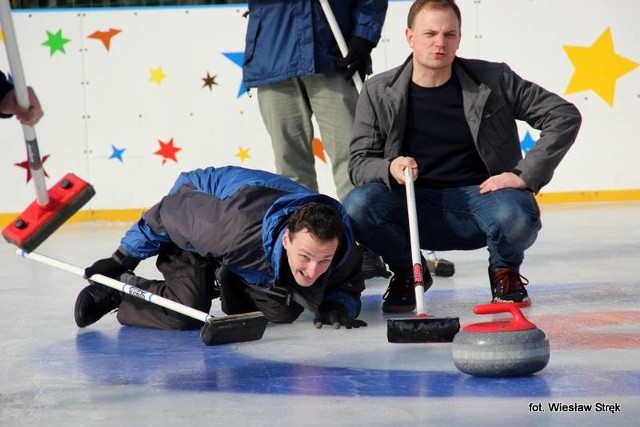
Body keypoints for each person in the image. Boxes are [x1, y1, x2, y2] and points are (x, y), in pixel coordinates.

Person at [343, 0, 581, 313]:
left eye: (449, 34)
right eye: (429, 33)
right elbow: (359, 162)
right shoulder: (379, 90)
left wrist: (525, 175)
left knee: (518, 216)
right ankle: (407, 271)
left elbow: (563, 115)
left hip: (482, 198)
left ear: (459, 37)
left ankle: (504, 272)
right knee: (358, 206)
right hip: (413, 203)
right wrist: (390, 167)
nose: (439, 43)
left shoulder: (494, 79)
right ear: (410, 36)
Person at [75, 166, 367, 331]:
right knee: (185, 310)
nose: (313, 271)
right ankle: (122, 293)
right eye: (305, 257)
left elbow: (349, 282)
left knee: (283, 310)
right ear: (287, 240)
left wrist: (338, 304)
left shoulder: (342, 247)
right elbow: (167, 213)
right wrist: (121, 259)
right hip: (196, 214)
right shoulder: (232, 228)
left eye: (323, 260)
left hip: (242, 247)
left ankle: (229, 275)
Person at [241, 0, 388, 202]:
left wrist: (364, 36)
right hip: (274, 55)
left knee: (352, 159)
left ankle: (360, 229)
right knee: (290, 167)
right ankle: (304, 228)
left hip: (334, 56)